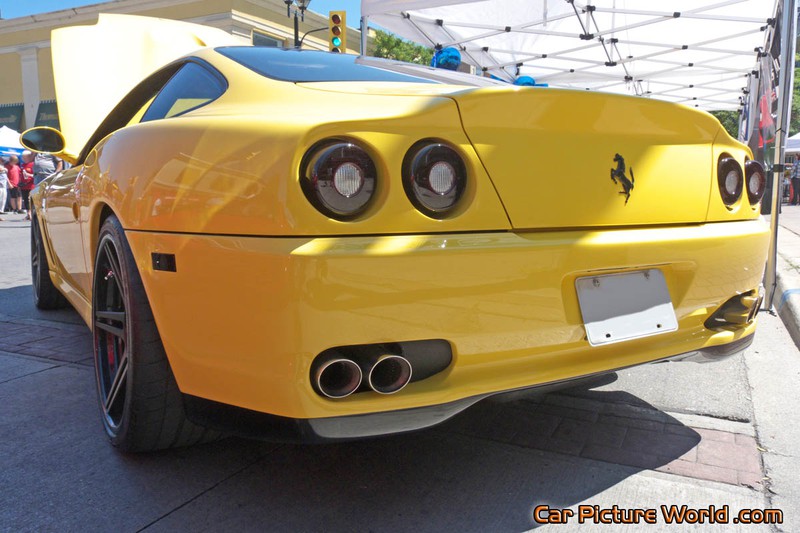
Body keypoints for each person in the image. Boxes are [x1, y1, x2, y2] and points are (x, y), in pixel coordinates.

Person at [19, 151, 34, 220]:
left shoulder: (33, 164)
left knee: (30, 199)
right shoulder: (22, 165)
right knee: (25, 200)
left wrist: (29, 175)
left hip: (31, 185)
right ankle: (28, 213)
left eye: (25, 157)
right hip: (23, 185)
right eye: (23, 157)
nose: (24, 159)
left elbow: (36, 175)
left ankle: (31, 213)